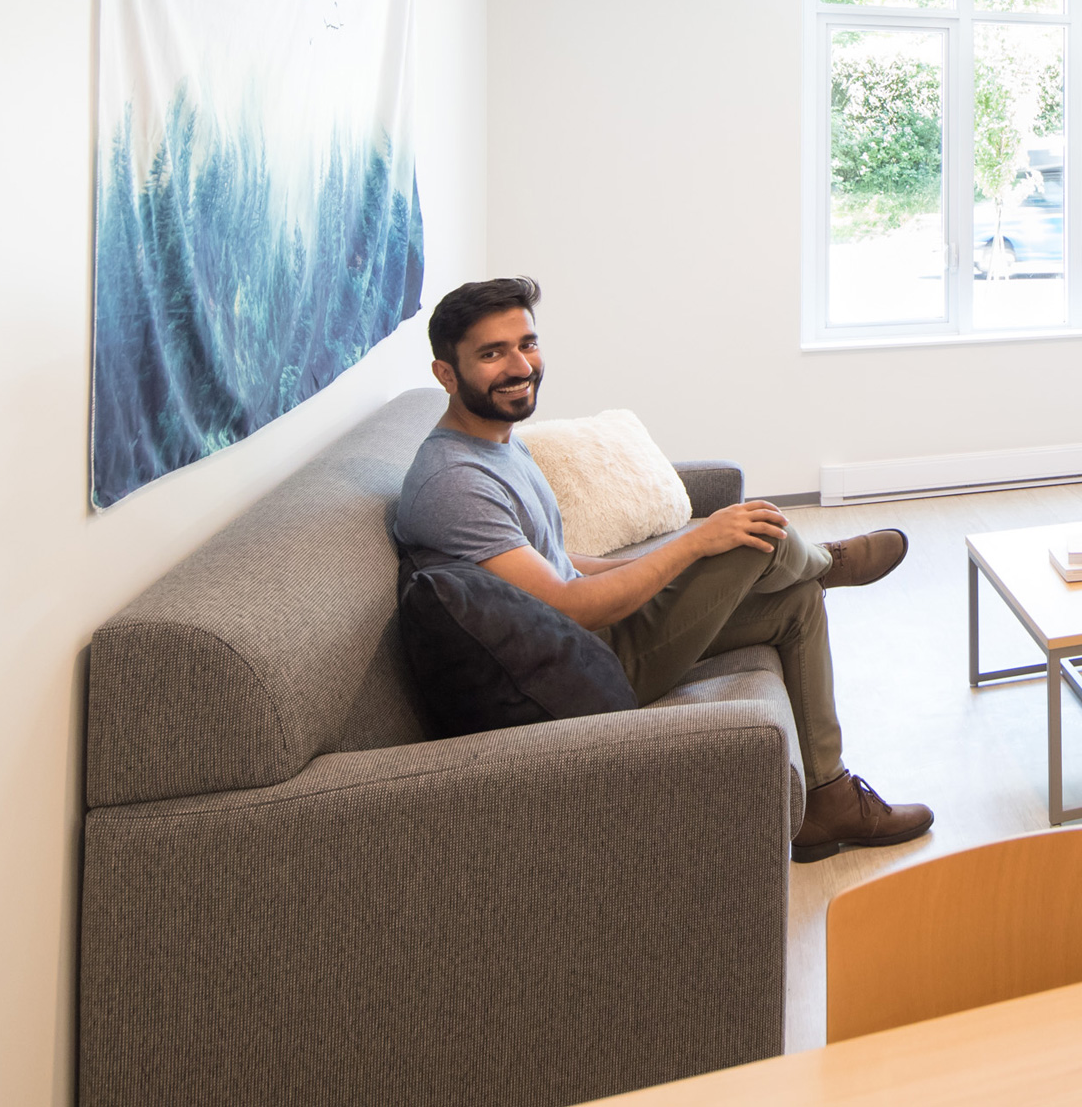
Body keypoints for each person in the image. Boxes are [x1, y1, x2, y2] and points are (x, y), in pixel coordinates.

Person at [391, 277, 933, 861]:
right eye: (492, 354)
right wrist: (694, 543)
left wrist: (653, 563)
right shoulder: (455, 483)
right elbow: (566, 604)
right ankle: (826, 564)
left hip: (585, 636)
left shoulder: (495, 439)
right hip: (587, 665)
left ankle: (828, 802)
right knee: (751, 539)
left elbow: (552, 560)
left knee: (792, 605)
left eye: (527, 343)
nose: (520, 366)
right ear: (446, 374)